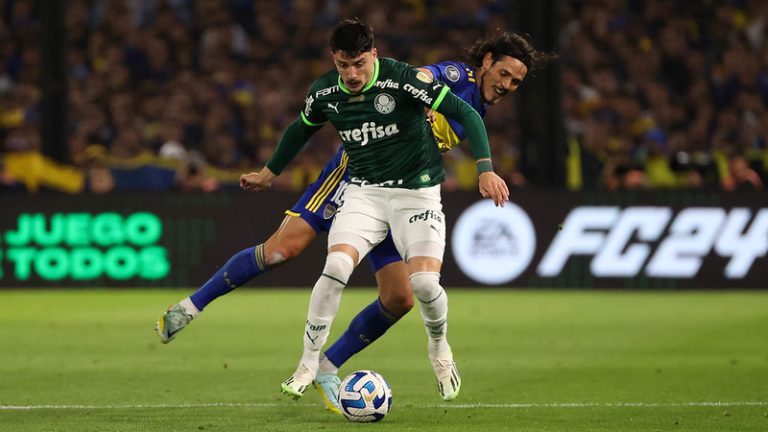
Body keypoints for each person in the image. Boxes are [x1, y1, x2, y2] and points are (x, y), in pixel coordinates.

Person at [156, 24, 555, 411]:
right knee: (282, 251)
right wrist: (269, 172)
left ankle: (327, 369)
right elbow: (417, 78)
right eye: (503, 73)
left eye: (515, 82)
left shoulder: (480, 103)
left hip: (402, 191)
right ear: (486, 61)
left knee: (399, 298)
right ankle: (188, 308)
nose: (506, 85)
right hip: (354, 175)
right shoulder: (455, 76)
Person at [239, 17, 509, 405]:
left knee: (423, 286)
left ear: (374, 56)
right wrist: (269, 173)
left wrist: (485, 169)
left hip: (417, 194)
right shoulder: (325, 92)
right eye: (343, 65)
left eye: (359, 64)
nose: (351, 74)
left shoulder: (404, 80)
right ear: (334, 60)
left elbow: (467, 114)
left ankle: (439, 347)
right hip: (365, 193)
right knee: (335, 268)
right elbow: (301, 129)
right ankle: (308, 364)